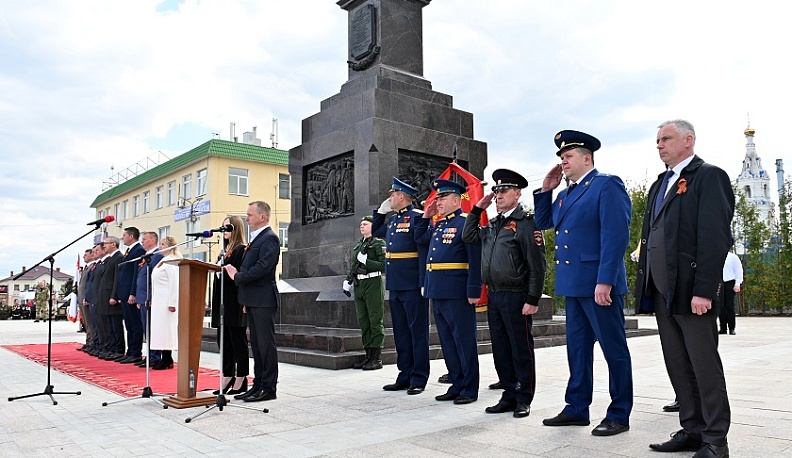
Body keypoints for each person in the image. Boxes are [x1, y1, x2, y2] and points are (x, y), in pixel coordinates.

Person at [635, 120, 734, 458]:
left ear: (688, 140)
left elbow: (715, 237)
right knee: (678, 364)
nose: (659, 145)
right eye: (657, 140)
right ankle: (692, 429)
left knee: (704, 367)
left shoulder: (709, 177)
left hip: (692, 291)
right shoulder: (660, 184)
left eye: (666, 138)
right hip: (664, 290)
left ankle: (715, 440)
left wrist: (705, 289)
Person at [534, 130, 633, 437]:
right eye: (561, 157)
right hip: (574, 286)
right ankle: (577, 408)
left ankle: (619, 413)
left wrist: (605, 281)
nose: (563, 161)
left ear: (587, 157)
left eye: (569, 156)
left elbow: (615, 236)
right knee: (577, 351)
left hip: (597, 286)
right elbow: (543, 223)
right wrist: (545, 190)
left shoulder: (606, 185)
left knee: (613, 350)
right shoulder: (564, 194)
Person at [462, 168, 546, 418]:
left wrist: (533, 299)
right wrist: (478, 209)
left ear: (517, 194)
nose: (498, 195)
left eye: (504, 191)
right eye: (496, 191)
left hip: (516, 295)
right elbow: (468, 236)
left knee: (520, 348)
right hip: (496, 295)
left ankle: (523, 397)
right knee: (500, 348)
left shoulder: (526, 223)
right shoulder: (493, 224)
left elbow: (538, 265)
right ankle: (508, 393)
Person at [418, 179, 482, 405]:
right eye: (438, 198)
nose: (438, 202)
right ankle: (456, 383)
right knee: (447, 341)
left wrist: (475, 289)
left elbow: (475, 260)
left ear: (457, 200)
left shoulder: (466, 223)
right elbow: (419, 239)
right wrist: (426, 216)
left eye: (442, 198)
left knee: (463, 341)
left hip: (457, 291)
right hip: (438, 290)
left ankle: (469, 388)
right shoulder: (439, 225)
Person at [372, 177, 430, 395]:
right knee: (401, 334)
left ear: (403, 197)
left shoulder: (417, 218)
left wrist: (424, 282)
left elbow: (424, 252)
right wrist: (380, 211)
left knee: (417, 333)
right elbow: (376, 231)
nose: (390, 197)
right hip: (396, 285)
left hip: (413, 286)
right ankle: (404, 374)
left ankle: (419, 377)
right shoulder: (394, 221)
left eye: (393, 195)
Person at [226, 201, 281, 403]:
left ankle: (268, 388)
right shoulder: (257, 238)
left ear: (262, 217)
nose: (246, 218)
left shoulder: (270, 239)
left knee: (266, 346)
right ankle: (258, 385)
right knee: (257, 346)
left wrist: (237, 276)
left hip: (264, 298)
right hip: (253, 298)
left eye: (249, 215)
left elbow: (263, 267)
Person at [211, 216, 250, 394]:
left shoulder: (241, 249)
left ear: (235, 228)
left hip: (235, 301)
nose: (224, 229)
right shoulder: (223, 251)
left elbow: (241, 276)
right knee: (224, 341)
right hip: (222, 302)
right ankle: (227, 375)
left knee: (237, 341)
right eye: (222, 226)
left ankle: (241, 377)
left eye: (227, 226)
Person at [344, 216, 386, 371]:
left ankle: (376, 358)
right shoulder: (359, 245)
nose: (361, 226)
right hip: (359, 284)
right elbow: (355, 265)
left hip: (373, 283)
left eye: (365, 224)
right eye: (360, 224)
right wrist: (348, 280)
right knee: (364, 321)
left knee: (375, 320)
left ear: (373, 226)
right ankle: (368, 355)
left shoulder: (378, 243)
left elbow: (384, 265)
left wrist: (367, 262)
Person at [111, 227, 146, 364]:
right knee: (129, 325)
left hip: (131, 294)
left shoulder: (138, 251)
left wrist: (132, 293)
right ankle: (130, 351)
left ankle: (136, 352)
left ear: (131, 236)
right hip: (125, 294)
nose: (123, 237)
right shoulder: (129, 251)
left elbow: (135, 275)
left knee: (135, 325)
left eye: (124, 235)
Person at [133, 231, 163, 368]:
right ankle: (149, 355)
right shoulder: (147, 256)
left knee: (151, 329)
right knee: (146, 329)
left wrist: (149, 297)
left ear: (152, 240)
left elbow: (153, 279)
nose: (142, 241)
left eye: (144, 239)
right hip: (142, 298)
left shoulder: (157, 256)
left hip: (149, 298)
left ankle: (154, 356)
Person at [150, 236, 181, 370]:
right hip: (159, 300)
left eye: (163, 244)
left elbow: (175, 283)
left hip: (167, 301)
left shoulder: (172, 261)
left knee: (167, 330)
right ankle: (165, 356)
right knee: (161, 329)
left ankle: (167, 358)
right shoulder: (163, 260)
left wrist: (173, 302)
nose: (161, 247)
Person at [96, 236, 125, 360]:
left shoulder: (119, 257)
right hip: (105, 296)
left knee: (116, 326)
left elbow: (117, 279)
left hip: (111, 297)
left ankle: (118, 349)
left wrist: (114, 295)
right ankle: (112, 347)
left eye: (106, 244)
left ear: (113, 244)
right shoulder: (110, 259)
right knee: (109, 326)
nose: (104, 246)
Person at [719, 250, 743, 336]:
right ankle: (723, 328)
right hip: (719, 282)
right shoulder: (716, 256)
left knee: (730, 306)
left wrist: (737, 283)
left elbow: (739, 271)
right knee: (720, 306)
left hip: (730, 282)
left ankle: (732, 328)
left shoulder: (733, 257)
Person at [76, 249, 95, 352]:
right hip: (81, 297)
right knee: (86, 322)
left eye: (86, 255)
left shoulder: (92, 267)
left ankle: (92, 342)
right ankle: (88, 341)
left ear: (92, 255)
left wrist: (86, 297)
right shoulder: (86, 268)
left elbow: (89, 285)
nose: (84, 257)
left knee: (90, 322)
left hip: (86, 298)